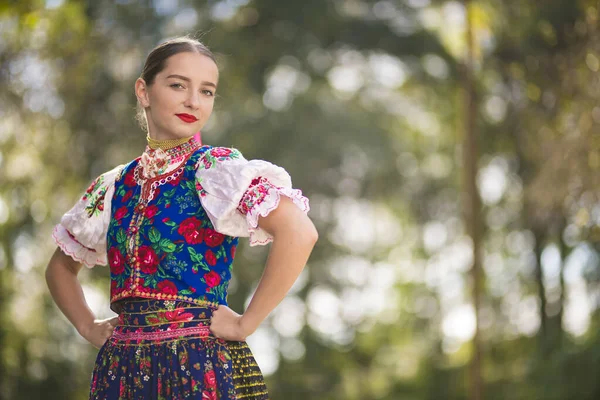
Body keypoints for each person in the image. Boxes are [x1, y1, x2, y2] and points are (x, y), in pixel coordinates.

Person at [45, 36, 318, 399]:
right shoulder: (115, 185)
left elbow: (299, 231)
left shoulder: (214, 169)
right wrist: (87, 325)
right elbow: (60, 267)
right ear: (144, 91)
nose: (193, 101)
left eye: (207, 92)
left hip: (198, 363)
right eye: (178, 85)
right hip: (122, 370)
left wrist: (245, 322)